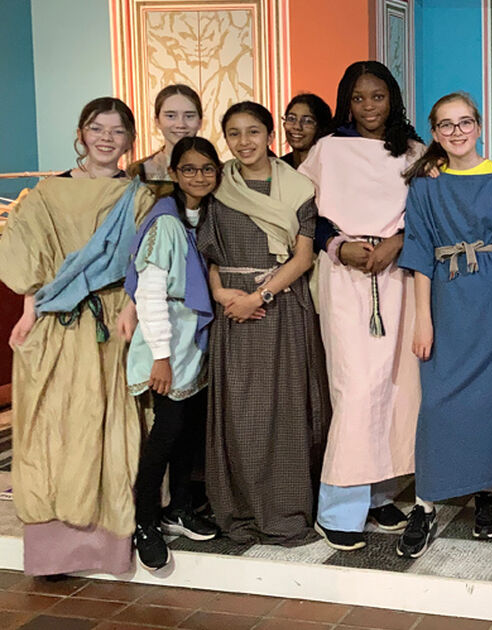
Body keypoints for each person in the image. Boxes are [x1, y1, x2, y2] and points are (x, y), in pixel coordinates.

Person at [0, 97, 154, 576]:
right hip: (58, 322)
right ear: (81, 133)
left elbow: (146, 260)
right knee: (53, 425)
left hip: (112, 320)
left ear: (130, 140)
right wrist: (28, 311)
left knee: (107, 425)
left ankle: (106, 548)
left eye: (117, 130)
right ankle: (53, 552)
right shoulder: (48, 193)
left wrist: (131, 309)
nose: (106, 138)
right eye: (96, 128)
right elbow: (33, 252)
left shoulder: (139, 196)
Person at [395, 92, 492, 558]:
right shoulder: (425, 185)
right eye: (446, 125)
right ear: (434, 133)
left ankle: (485, 493)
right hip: (447, 299)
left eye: (465, 122)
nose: (457, 132)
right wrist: (423, 321)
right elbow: (418, 252)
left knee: (490, 402)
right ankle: (426, 502)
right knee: (437, 404)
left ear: (479, 125)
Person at [300, 61, 423, 552]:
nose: (368, 106)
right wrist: (337, 246)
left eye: (377, 96)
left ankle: (380, 494)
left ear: (392, 99)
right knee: (354, 388)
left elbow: (427, 212)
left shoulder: (413, 152)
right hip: (345, 274)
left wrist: (399, 240)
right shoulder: (328, 149)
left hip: (398, 276)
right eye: (358, 98)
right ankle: (338, 507)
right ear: (345, 103)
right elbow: (307, 214)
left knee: (396, 386)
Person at [198, 101, 331, 546]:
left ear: (270, 135)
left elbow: (304, 256)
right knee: (239, 413)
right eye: (234, 133)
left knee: (287, 410)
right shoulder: (218, 187)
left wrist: (261, 296)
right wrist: (221, 294)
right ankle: (239, 509)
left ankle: (286, 509)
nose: (244, 142)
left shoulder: (298, 186)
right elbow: (208, 253)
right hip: (233, 311)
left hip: (282, 307)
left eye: (253, 131)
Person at [126, 137, 225, 570]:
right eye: (189, 169)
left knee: (188, 430)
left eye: (207, 169)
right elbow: (149, 292)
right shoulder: (166, 221)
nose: (199, 177)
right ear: (174, 173)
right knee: (165, 434)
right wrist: (161, 356)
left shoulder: (206, 216)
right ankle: (144, 521)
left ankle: (179, 508)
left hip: (193, 340)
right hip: (167, 338)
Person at [128, 84, 203, 197]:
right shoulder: (137, 171)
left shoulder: (218, 171)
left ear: (200, 122)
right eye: (171, 116)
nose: (180, 124)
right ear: (157, 121)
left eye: (189, 116)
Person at [281, 93, 334, 169]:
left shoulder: (329, 166)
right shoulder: (279, 167)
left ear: (321, 127)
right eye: (291, 119)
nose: (297, 127)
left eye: (307, 121)